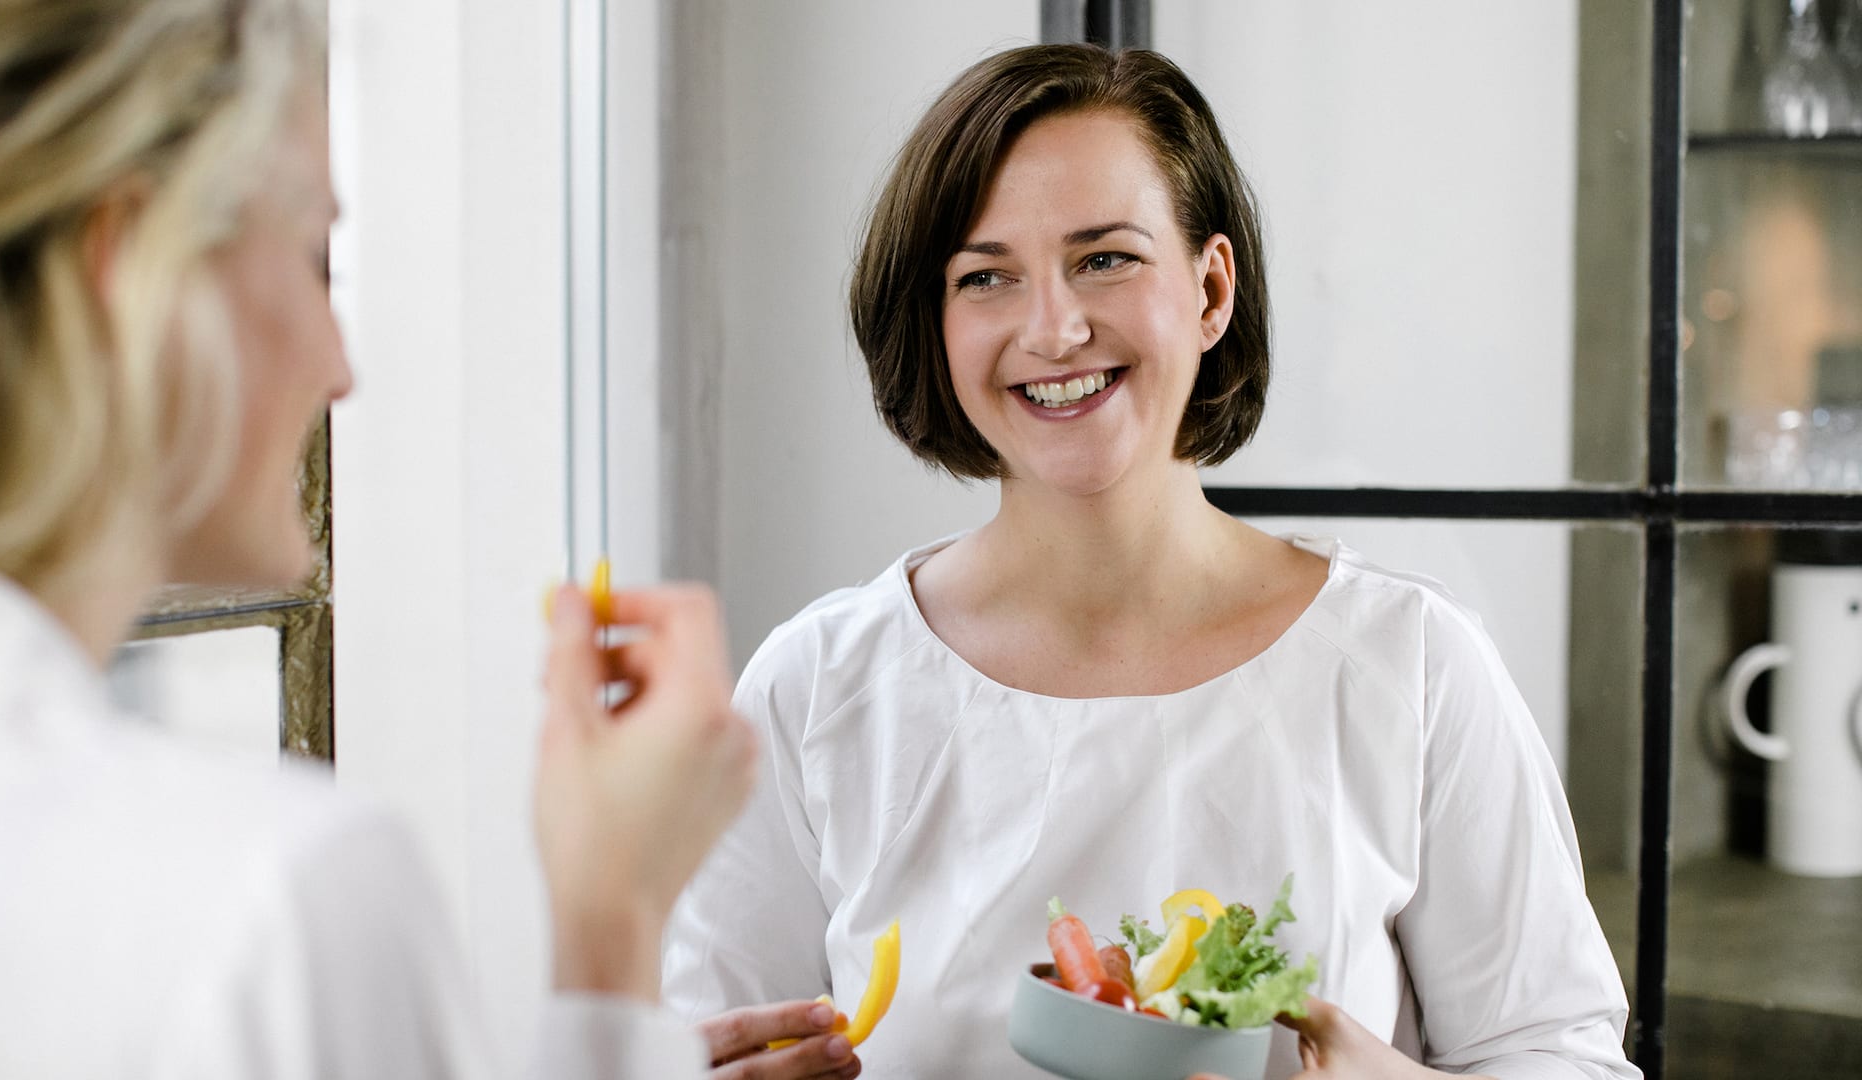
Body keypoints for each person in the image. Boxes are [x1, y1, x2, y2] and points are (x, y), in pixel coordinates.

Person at [662, 43, 1642, 1080]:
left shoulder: (1411, 664)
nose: (1055, 328)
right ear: (934, 321)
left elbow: (1561, 1055)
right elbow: (713, 1045)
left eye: (1106, 258)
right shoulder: (817, 687)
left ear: (1212, 289)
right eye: (986, 276)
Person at [0, 1, 772, 1076]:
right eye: (315, 260)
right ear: (133, 272)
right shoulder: (270, 898)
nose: (342, 369)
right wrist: (615, 921)